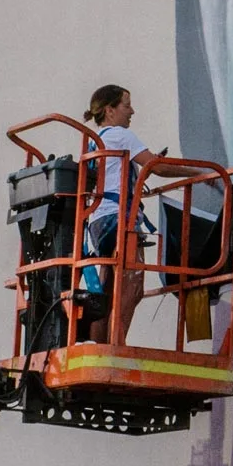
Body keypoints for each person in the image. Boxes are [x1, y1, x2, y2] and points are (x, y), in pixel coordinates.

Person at [81, 84, 160, 337]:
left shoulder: (97, 142)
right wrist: (203, 173)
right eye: (127, 105)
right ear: (110, 110)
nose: (132, 111)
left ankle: (98, 346)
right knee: (132, 287)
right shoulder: (121, 135)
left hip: (99, 221)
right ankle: (117, 344)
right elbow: (158, 167)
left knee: (107, 287)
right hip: (119, 220)